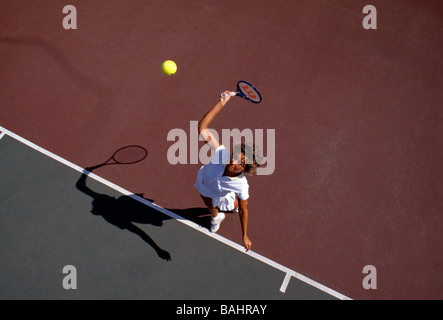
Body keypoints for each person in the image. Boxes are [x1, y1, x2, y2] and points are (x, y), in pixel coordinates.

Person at [194, 91, 262, 252]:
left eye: (240, 162)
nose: (233, 161)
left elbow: (244, 212)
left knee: (237, 204)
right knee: (208, 203)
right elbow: (202, 127)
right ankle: (216, 218)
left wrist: (244, 235)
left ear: (245, 169)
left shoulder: (241, 186)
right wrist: (221, 103)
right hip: (203, 181)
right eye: (235, 156)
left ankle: (229, 208)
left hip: (218, 192)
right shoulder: (222, 154)